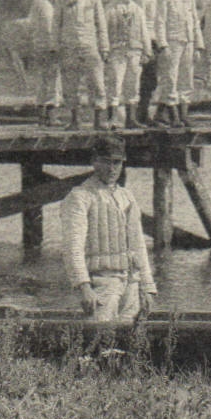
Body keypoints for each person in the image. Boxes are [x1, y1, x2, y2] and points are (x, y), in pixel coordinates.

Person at [63, 134, 157, 322]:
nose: (112, 168)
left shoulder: (127, 197)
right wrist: (84, 286)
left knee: (129, 343)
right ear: (94, 161)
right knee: (100, 341)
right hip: (101, 284)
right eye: (106, 162)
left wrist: (148, 287)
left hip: (131, 284)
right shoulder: (80, 197)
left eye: (117, 163)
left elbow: (138, 245)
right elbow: (72, 247)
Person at [57, 0, 109, 130]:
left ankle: (99, 120)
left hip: (89, 45)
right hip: (69, 45)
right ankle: (74, 120)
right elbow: (56, 24)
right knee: (70, 84)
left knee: (97, 82)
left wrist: (104, 48)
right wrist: (55, 47)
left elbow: (101, 25)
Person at [155, 0, 203, 125]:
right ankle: (173, 116)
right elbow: (160, 22)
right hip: (172, 42)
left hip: (188, 41)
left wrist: (198, 45)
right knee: (171, 78)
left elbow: (195, 22)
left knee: (187, 78)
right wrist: (163, 45)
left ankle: (184, 114)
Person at [103, 0, 150, 129]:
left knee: (133, 85)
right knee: (115, 83)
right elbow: (103, 30)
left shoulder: (137, 9)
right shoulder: (110, 7)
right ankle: (112, 119)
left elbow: (144, 31)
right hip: (117, 50)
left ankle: (131, 119)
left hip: (134, 51)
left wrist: (147, 51)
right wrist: (104, 49)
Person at [26, 0, 61, 126]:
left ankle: (42, 116)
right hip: (49, 46)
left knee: (42, 80)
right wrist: (56, 45)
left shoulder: (37, 2)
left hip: (39, 46)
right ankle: (51, 116)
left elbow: (31, 25)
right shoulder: (44, 4)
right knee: (52, 80)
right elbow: (49, 27)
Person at [135, 0, 167, 124]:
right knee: (146, 80)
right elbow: (138, 23)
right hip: (145, 41)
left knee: (154, 79)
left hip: (157, 40)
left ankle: (151, 113)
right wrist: (144, 46)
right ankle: (141, 114)